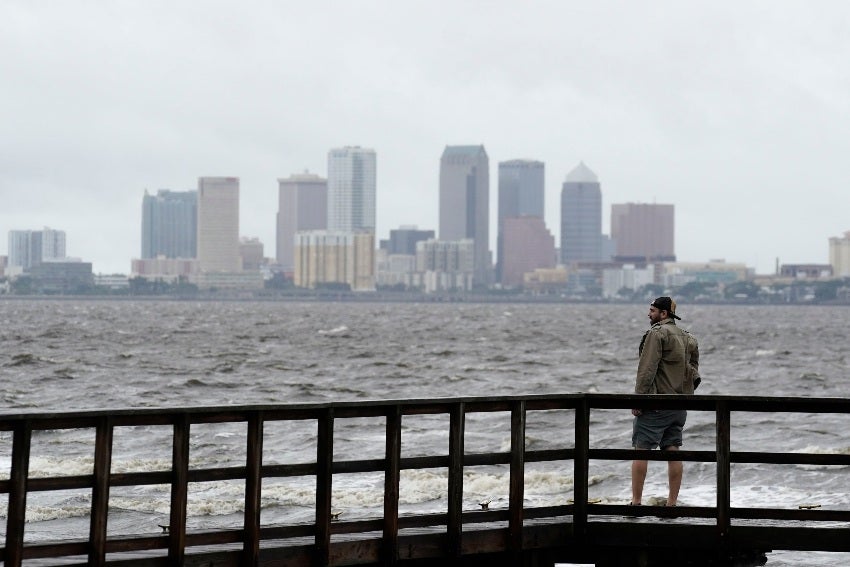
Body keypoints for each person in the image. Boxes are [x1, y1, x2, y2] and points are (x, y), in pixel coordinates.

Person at [630, 296, 699, 507]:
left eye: (652, 311)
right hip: (679, 405)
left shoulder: (657, 334)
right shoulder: (688, 338)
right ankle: (672, 503)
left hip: (657, 404)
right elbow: (694, 371)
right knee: (673, 449)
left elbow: (647, 369)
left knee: (641, 449)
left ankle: (636, 502)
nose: (648, 314)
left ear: (664, 314)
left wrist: (639, 399)